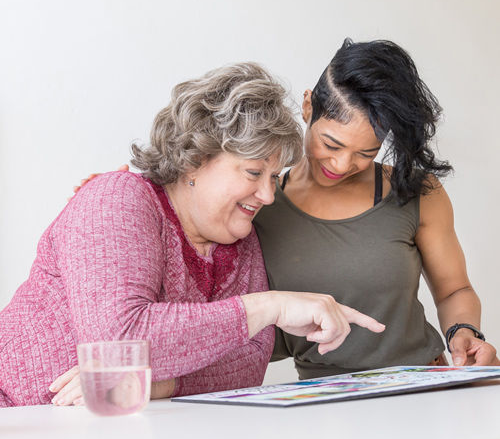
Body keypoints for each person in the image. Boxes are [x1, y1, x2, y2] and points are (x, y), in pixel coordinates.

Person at [0, 62, 385, 407]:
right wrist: (269, 307)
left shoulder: (240, 239)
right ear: (196, 160)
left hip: (112, 436)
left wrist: (154, 383)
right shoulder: (119, 199)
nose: (268, 195)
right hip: (17, 423)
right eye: (254, 173)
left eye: (272, 177)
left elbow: (248, 365)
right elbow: (119, 342)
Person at [253, 38, 499, 379]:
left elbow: (454, 289)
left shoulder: (416, 191)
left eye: (365, 153)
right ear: (308, 106)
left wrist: (464, 333)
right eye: (331, 143)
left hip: (423, 385)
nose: (341, 164)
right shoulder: (259, 201)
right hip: (323, 402)